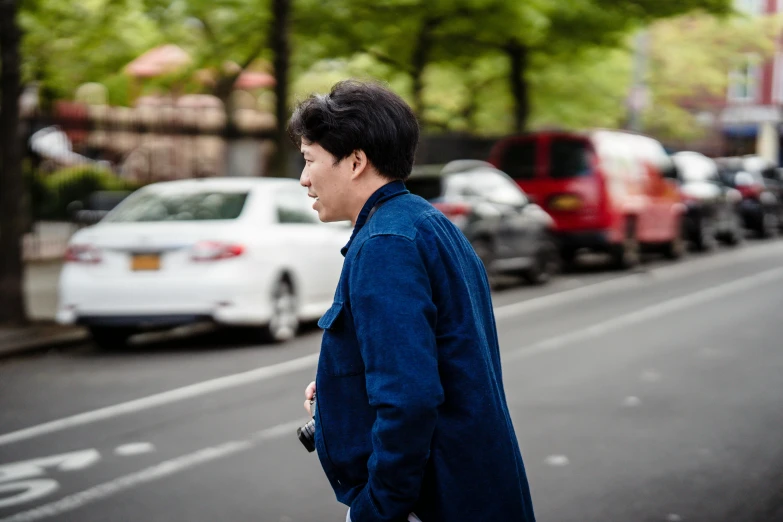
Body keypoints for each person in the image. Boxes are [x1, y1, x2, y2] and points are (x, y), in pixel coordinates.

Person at [290, 80, 536, 522]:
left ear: (356, 162)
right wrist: (340, 385)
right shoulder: (425, 223)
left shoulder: (386, 243)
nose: (304, 179)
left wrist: (376, 510)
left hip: (434, 502)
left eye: (310, 160)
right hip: (475, 487)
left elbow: (409, 399)